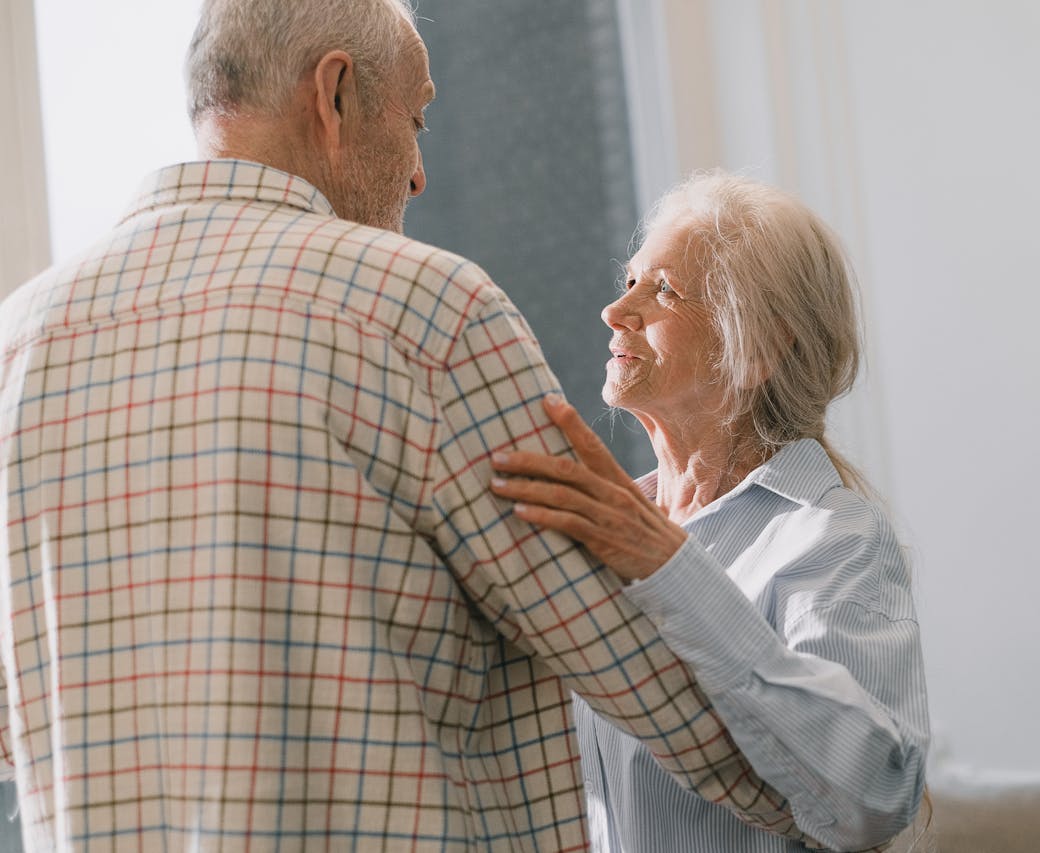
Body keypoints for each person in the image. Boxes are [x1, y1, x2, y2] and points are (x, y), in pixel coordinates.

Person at [0, 3, 804, 849]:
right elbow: (648, 681)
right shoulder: (430, 312)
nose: (419, 173)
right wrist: (832, 789)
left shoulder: (20, 342)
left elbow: (16, 728)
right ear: (335, 93)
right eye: (416, 119)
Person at [490, 172, 934, 852]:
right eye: (630, 277)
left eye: (661, 289)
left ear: (755, 348)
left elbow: (874, 795)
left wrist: (669, 567)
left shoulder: (832, 536)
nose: (616, 309)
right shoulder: (597, 529)